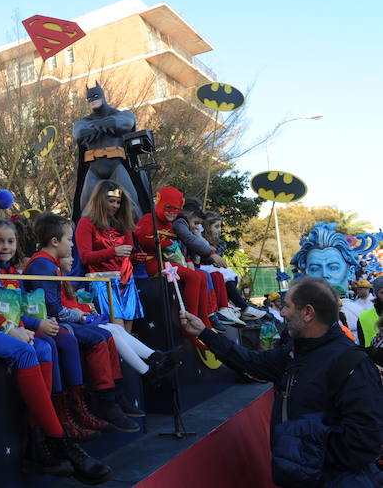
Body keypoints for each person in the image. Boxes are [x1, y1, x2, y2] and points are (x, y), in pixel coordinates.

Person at [0, 184, 112, 482]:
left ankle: (38, 444)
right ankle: (60, 440)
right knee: (27, 350)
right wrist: (9, 328)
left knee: (42, 346)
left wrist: (21, 325)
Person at [180, 276, 383, 487]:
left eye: (287, 306)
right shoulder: (295, 352)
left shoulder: (352, 363)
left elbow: (365, 442)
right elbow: (252, 363)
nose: (283, 313)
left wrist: (303, 451)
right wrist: (205, 334)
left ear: (308, 313)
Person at [26, 213, 141, 433]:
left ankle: (114, 394)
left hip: (60, 322)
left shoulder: (50, 264)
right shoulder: (43, 265)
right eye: (69, 239)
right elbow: (53, 309)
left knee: (106, 335)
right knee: (98, 338)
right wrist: (82, 317)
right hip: (50, 325)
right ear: (55, 241)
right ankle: (104, 402)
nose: (72, 244)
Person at [135, 186, 214, 336]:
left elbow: (179, 248)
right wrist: (165, 243)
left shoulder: (171, 225)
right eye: (168, 207)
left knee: (202, 276)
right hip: (153, 263)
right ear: (160, 204)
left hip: (172, 263)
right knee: (193, 276)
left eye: (176, 209)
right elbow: (142, 239)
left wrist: (188, 259)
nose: (172, 212)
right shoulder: (148, 219)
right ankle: (190, 321)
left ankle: (204, 320)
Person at [75, 180, 144, 332]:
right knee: (118, 332)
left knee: (128, 333)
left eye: (118, 202)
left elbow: (127, 253)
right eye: (111, 201)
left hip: (126, 281)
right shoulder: (86, 223)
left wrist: (135, 257)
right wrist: (114, 251)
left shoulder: (122, 223)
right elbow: (85, 257)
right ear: (100, 200)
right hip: (102, 282)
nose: (115, 206)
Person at [71, 82, 147, 219]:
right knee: (86, 210)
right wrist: (105, 126)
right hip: (94, 168)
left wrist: (97, 127)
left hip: (115, 166)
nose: (92, 101)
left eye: (95, 97)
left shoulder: (121, 114)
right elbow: (79, 132)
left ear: (102, 96)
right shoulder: (83, 121)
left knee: (131, 205)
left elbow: (126, 123)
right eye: (89, 99)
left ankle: (137, 237)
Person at [201, 211, 267, 321]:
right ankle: (242, 307)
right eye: (216, 226)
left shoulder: (220, 243)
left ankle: (233, 305)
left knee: (230, 274)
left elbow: (217, 257)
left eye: (220, 226)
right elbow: (205, 258)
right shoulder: (199, 240)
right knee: (224, 274)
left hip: (211, 267)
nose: (219, 230)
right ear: (207, 227)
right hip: (203, 266)